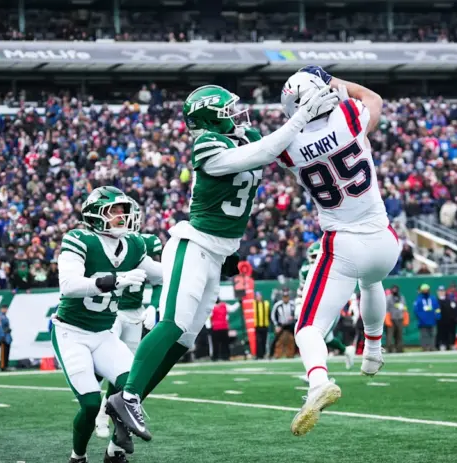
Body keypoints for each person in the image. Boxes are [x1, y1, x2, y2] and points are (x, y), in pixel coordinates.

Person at [107, 83, 339, 442]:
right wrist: (300, 116)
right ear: (209, 119)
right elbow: (261, 152)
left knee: (184, 341)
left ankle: (127, 408)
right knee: (173, 323)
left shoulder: (246, 136)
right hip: (194, 244)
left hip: (219, 253)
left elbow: (280, 147)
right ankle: (129, 396)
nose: (235, 115)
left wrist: (320, 119)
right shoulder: (206, 144)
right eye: (226, 111)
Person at [276, 67, 401, 436]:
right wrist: (336, 83)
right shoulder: (348, 116)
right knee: (372, 281)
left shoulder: (288, 148)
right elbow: (373, 99)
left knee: (307, 327)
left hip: (343, 243)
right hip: (385, 240)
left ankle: (318, 381)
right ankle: (373, 351)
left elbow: (270, 149)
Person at [51, 186, 161, 463]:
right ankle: (78, 457)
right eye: (115, 210)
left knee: (133, 390)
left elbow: (161, 273)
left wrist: (204, 265)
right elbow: (69, 286)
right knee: (89, 405)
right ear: (95, 214)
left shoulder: (133, 244)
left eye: (124, 210)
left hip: (104, 334)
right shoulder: (79, 239)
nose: (123, 216)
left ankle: (115, 451)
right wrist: (117, 280)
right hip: (72, 332)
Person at [95, 201, 163, 440]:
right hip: (112, 311)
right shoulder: (106, 243)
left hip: (135, 313)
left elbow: (160, 278)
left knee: (126, 370)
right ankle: (94, 407)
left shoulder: (145, 243)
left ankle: (105, 412)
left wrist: (154, 305)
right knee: (103, 362)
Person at [295, 241, 355, 368]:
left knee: (316, 337)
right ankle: (346, 350)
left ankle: (317, 370)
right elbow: (301, 290)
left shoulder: (331, 268)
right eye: (312, 257)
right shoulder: (305, 270)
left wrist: (351, 303)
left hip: (329, 309)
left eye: (316, 256)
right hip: (314, 308)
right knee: (327, 339)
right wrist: (298, 304)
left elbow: (344, 287)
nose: (314, 260)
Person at [271, 290, 297, 358]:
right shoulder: (277, 305)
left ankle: (295, 353)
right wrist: (276, 325)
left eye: (287, 297)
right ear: (282, 297)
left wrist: (293, 317)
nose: (286, 298)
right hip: (281, 325)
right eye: (284, 297)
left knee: (295, 338)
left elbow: (297, 314)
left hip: (290, 325)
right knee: (276, 339)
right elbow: (273, 316)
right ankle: (272, 354)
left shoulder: (293, 304)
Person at [414, 284, 440, 351]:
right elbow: (416, 311)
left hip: (432, 320)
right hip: (423, 322)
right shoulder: (418, 300)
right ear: (421, 291)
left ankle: (432, 347)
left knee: (433, 334)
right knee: (424, 335)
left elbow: (437, 308)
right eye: (424, 290)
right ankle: (425, 348)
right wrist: (422, 318)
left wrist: (437, 316)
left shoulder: (433, 298)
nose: (426, 291)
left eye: (427, 290)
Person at [385, 285, 407, 353]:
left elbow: (404, 307)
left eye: (396, 289)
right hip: (391, 318)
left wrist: (402, 309)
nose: (395, 290)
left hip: (400, 318)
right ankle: (390, 349)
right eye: (393, 289)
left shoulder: (401, 297)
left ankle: (399, 349)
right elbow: (386, 308)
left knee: (399, 335)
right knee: (390, 335)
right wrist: (387, 319)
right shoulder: (388, 298)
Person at [436, 286, 457, 350]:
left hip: (449, 320)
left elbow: (453, 309)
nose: (441, 292)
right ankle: (442, 344)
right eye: (440, 291)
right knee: (441, 333)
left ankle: (450, 344)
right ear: (437, 292)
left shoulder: (449, 300)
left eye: (442, 291)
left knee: (449, 333)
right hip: (440, 320)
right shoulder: (436, 301)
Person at [253, 292, 271, 359]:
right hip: (257, 326)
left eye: (259, 296)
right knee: (258, 341)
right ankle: (258, 355)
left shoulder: (266, 303)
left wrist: (270, 323)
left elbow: (269, 314)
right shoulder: (253, 304)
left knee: (264, 341)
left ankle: (263, 354)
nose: (258, 297)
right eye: (257, 296)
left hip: (265, 325)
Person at [0, 304, 12, 371]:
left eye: (6, 309)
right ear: (1, 309)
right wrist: (2, 335)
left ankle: (6, 365)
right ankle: (3, 366)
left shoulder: (4, 316)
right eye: (4, 308)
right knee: (3, 352)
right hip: (3, 336)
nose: (5, 310)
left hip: (7, 336)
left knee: (7, 351)